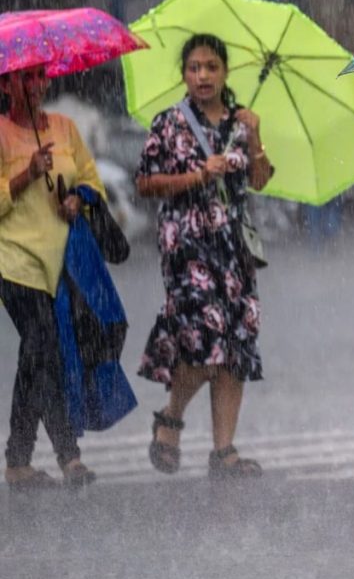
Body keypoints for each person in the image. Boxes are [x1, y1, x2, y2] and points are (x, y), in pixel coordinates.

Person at [136, 33, 273, 479]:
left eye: (211, 67)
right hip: (186, 243)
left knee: (234, 344)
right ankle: (171, 417)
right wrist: (197, 175)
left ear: (225, 72)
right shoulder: (169, 122)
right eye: (194, 68)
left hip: (233, 245)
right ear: (184, 74)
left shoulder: (241, 119)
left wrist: (254, 137)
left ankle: (224, 451)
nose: (203, 76)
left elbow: (260, 179)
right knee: (202, 338)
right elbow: (146, 182)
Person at [0, 64, 104, 489]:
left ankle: (18, 462)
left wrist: (77, 200)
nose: (36, 85)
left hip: (59, 262)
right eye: (25, 77)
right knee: (44, 347)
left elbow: (92, 183)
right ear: (5, 84)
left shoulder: (64, 127)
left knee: (37, 356)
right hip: (13, 261)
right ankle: (68, 455)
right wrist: (26, 173)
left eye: (41, 76)